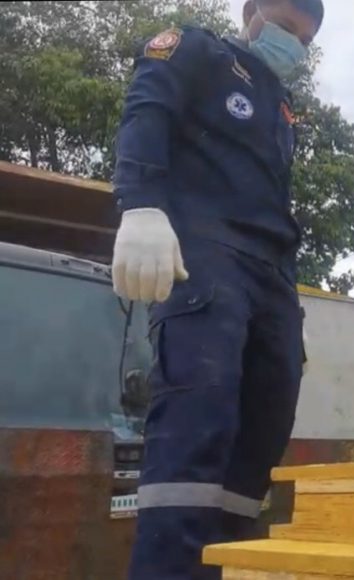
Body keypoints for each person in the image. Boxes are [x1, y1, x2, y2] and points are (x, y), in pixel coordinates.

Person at [109, 1, 324, 578]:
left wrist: (286, 298)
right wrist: (141, 204)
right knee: (197, 421)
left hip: (271, 275)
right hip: (205, 255)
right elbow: (148, 109)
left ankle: (226, 565)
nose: (294, 45)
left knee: (264, 427)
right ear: (252, 12)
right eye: (286, 27)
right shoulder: (197, 50)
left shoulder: (281, 105)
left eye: (305, 40)